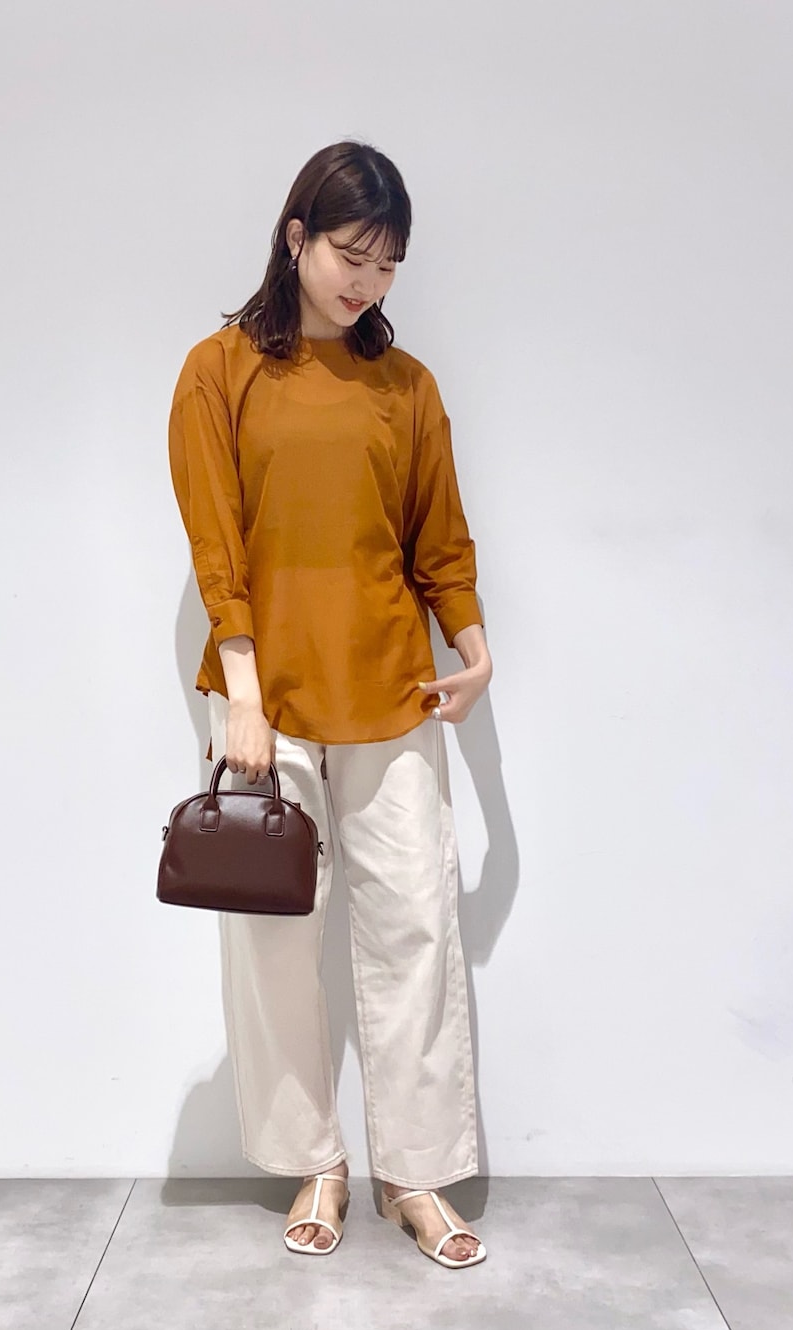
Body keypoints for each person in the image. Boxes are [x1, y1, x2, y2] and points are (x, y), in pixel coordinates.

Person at [167, 140, 492, 1269]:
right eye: (353, 254)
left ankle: (417, 1173)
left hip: (392, 688)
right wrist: (245, 695)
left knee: (416, 928)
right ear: (296, 237)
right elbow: (217, 545)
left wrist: (474, 649)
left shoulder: (407, 388)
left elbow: (439, 539)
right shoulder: (217, 371)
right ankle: (316, 1160)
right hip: (267, 700)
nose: (367, 281)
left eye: (388, 265)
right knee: (273, 942)